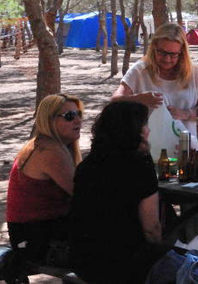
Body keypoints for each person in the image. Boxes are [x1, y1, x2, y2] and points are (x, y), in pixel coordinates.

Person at [69, 101, 170, 283]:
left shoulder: (88, 164)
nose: (148, 130)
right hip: (125, 261)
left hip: (83, 259)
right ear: (136, 130)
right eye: (145, 125)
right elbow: (152, 229)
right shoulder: (139, 164)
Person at [6, 93, 83, 265]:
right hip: (34, 238)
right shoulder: (50, 150)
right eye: (69, 116)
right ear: (49, 121)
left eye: (79, 114)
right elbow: (82, 194)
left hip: (40, 229)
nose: (78, 121)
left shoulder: (52, 145)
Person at [112, 23, 198, 150]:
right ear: (153, 48)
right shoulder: (139, 71)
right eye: (162, 52)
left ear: (182, 53)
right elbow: (114, 101)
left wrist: (185, 114)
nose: (167, 59)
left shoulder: (194, 73)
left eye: (173, 54)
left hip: (185, 150)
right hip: (147, 150)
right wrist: (139, 99)